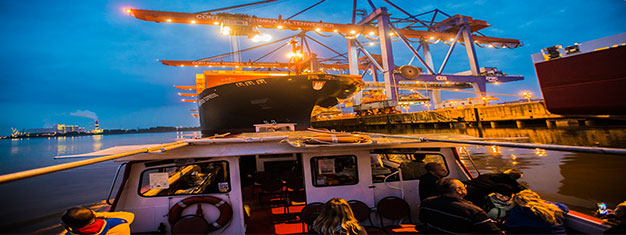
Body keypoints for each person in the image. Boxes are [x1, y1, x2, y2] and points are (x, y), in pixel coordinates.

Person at [419, 178, 503, 234]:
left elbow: (422, 219)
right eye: (464, 186)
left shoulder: (427, 202)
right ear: (459, 191)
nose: (466, 187)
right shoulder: (473, 211)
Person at [504, 189, 568, 234]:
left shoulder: (516, 212)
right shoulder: (552, 207)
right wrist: (544, 203)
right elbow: (565, 208)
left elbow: (509, 226)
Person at [62, 207, 134, 235]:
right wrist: (97, 214)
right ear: (93, 216)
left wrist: (67, 230)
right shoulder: (120, 223)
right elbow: (129, 214)